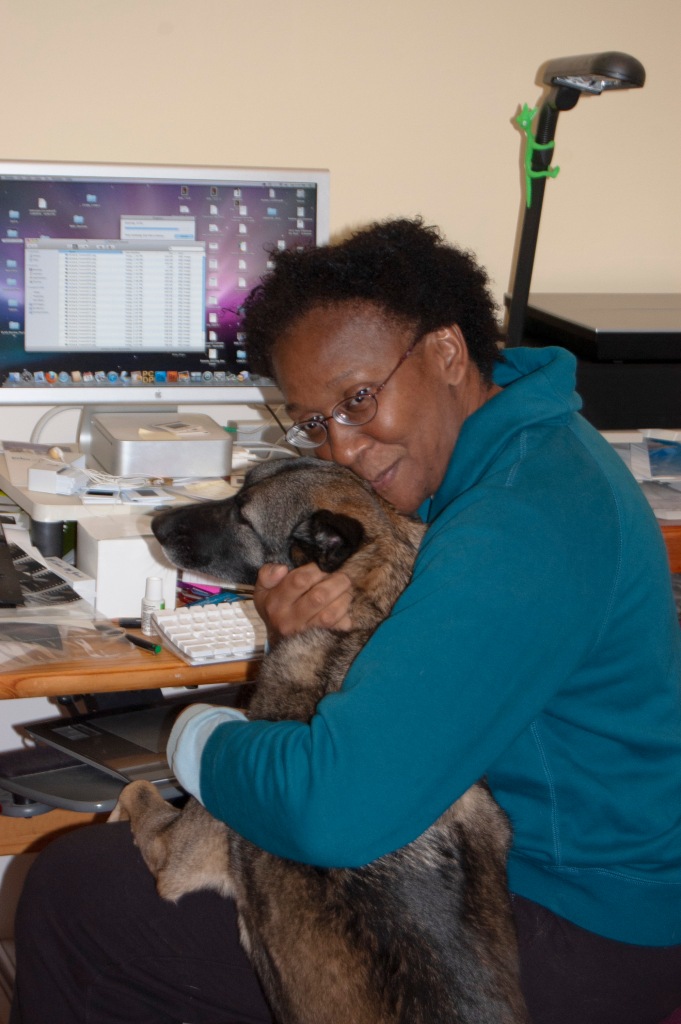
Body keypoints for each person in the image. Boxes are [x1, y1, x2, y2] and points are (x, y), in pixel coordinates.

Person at [11, 218, 681, 1024]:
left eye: (358, 399)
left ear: (446, 352)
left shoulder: (515, 522)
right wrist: (294, 640)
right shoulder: (515, 448)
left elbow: (333, 812)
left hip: (576, 922)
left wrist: (197, 741)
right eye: (314, 422)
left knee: (77, 892)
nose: (343, 448)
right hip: (514, 857)